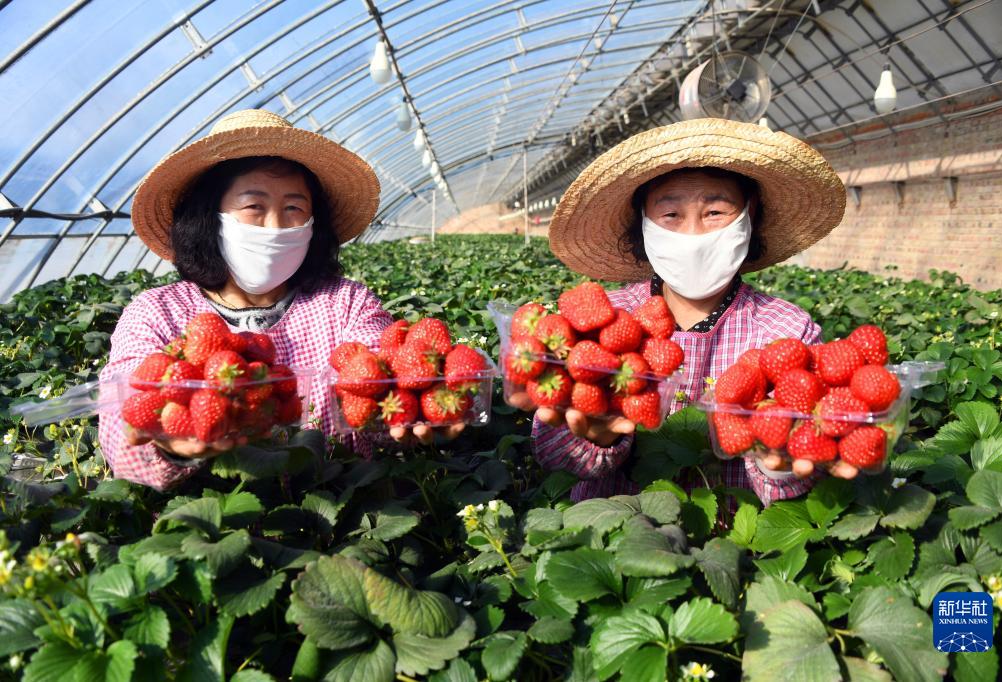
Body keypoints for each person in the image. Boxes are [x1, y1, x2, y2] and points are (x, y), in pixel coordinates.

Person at [99, 109, 460, 490]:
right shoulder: (157, 313)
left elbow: (385, 383)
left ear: (313, 222)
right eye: (254, 207)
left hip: (344, 505)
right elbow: (120, 428)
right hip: (216, 517)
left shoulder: (346, 304)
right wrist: (170, 446)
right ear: (209, 217)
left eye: (293, 208)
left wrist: (414, 413)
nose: (275, 226)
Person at [524, 118, 854, 506]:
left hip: (741, 534)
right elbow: (553, 455)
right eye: (671, 215)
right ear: (643, 222)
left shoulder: (787, 331)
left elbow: (810, 471)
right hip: (619, 527)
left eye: (715, 211)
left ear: (749, 213)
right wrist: (595, 437)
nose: (694, 235)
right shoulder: (602, 320)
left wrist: (780, 463)